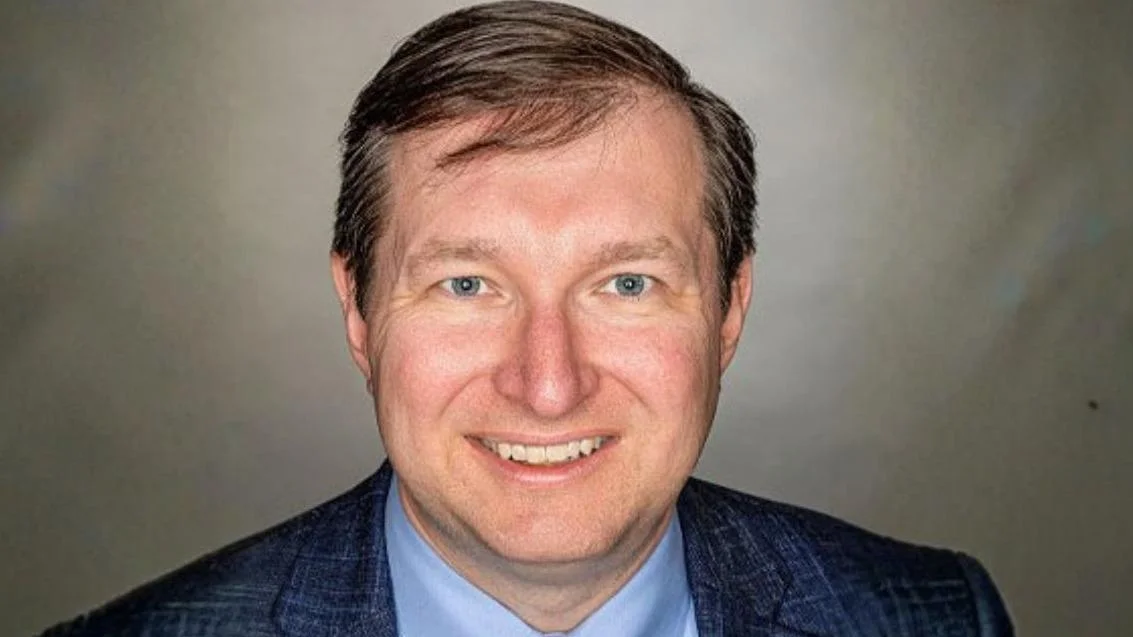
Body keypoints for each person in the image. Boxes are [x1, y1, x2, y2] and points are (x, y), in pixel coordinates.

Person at [41, 1, 1013, 635]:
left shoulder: (935, 618)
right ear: (359, 315)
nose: (547, 383)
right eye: (467, 285)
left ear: (728, 312)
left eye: (625, 284)